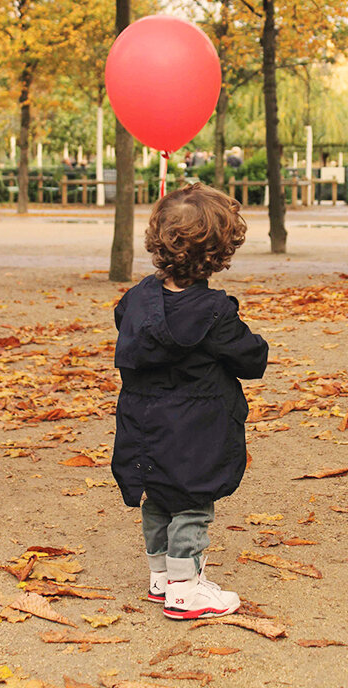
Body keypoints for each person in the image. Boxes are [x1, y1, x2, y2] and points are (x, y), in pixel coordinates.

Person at [111, 182, 268, 620]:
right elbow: (250, 358)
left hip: (145, 423)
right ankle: (185, 589)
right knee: (194, 503)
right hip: (196, 427)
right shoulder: (214, 312)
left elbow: (127, 326)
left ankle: (161, 576)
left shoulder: (138, 298)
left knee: (158, 496)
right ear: (220, 252)